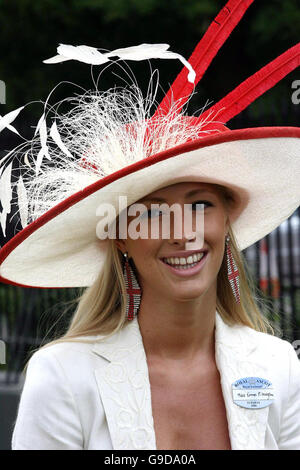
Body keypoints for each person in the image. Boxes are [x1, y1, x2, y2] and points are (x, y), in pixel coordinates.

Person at [0, 0, 300, 450]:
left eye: (199, 205)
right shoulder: (62, 377)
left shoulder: (279, 367)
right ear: (119, 236)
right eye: (153, 212)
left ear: (228, 219)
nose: (182, 232)